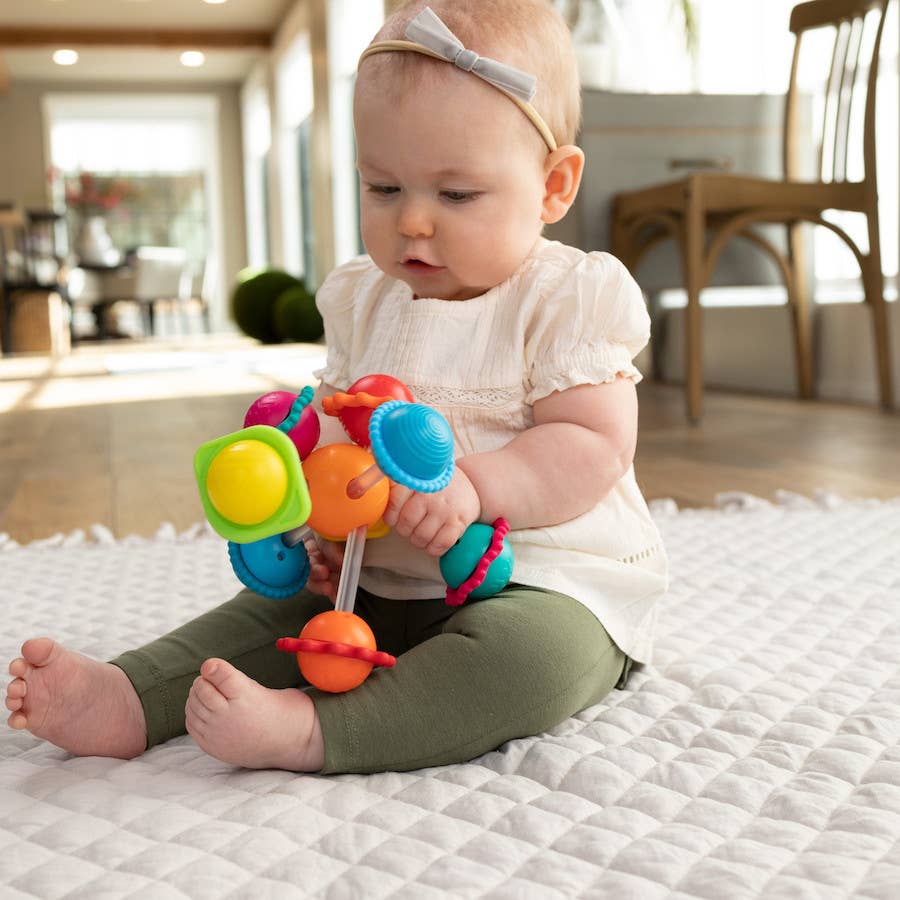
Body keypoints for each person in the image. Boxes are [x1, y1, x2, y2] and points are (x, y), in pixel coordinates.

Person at [5, 0, 667, 774]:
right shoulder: (363, 298)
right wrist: (317, 533)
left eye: (456, 195)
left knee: (531, 659)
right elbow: (339, 441)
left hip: (538, 579)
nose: (413, 221)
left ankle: (321, 731)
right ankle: (131, 694)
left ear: (553, 186)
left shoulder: (566, 298)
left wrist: (476, 487)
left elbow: (593, 443)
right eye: (383, 188)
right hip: (374, 578)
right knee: (268, 613)